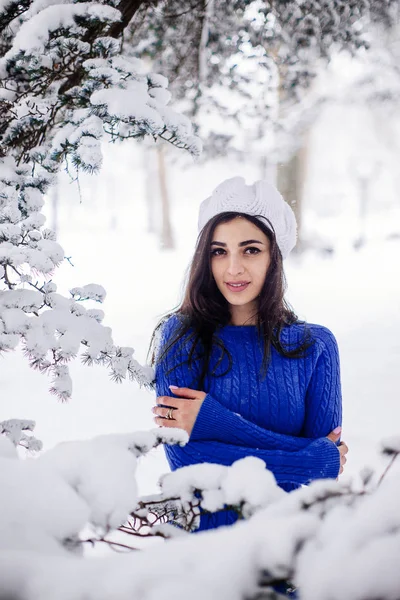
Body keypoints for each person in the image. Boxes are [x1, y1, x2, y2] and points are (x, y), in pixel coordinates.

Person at [149, 176, 348, 533]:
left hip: (289, 549)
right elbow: (185, 458)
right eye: (219, 251)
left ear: (275, 256)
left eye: (251, 249)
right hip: (203, 555)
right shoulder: (183, 336)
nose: (233, 268)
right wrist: (309, 458)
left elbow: (322, 485)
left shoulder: (316, 345)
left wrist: (212, 422)